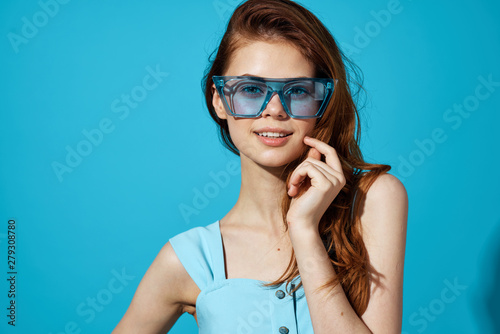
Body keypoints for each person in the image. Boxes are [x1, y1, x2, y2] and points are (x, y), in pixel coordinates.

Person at [112, 0, 408, 333]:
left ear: (322, 101)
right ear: (219, 100)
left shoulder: (373, 201)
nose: (275, 109)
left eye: (297, 90)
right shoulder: (189, 258)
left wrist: (304, 231)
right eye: (251, 89)